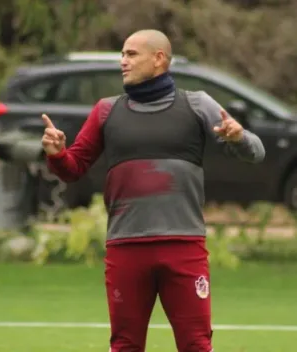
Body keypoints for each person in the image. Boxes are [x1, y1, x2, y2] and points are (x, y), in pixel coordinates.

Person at [41, 29, 265, 352]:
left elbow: (256, 152)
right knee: (125, 345)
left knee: (196, 344)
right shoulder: (106, 111)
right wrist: (57, 153)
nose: (122, 61)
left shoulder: (198, 104)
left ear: (159, 59)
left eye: (131, 54)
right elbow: (73, 169)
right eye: (122, 54)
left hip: (184, 247)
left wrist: (238, 137)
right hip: (125, 249)